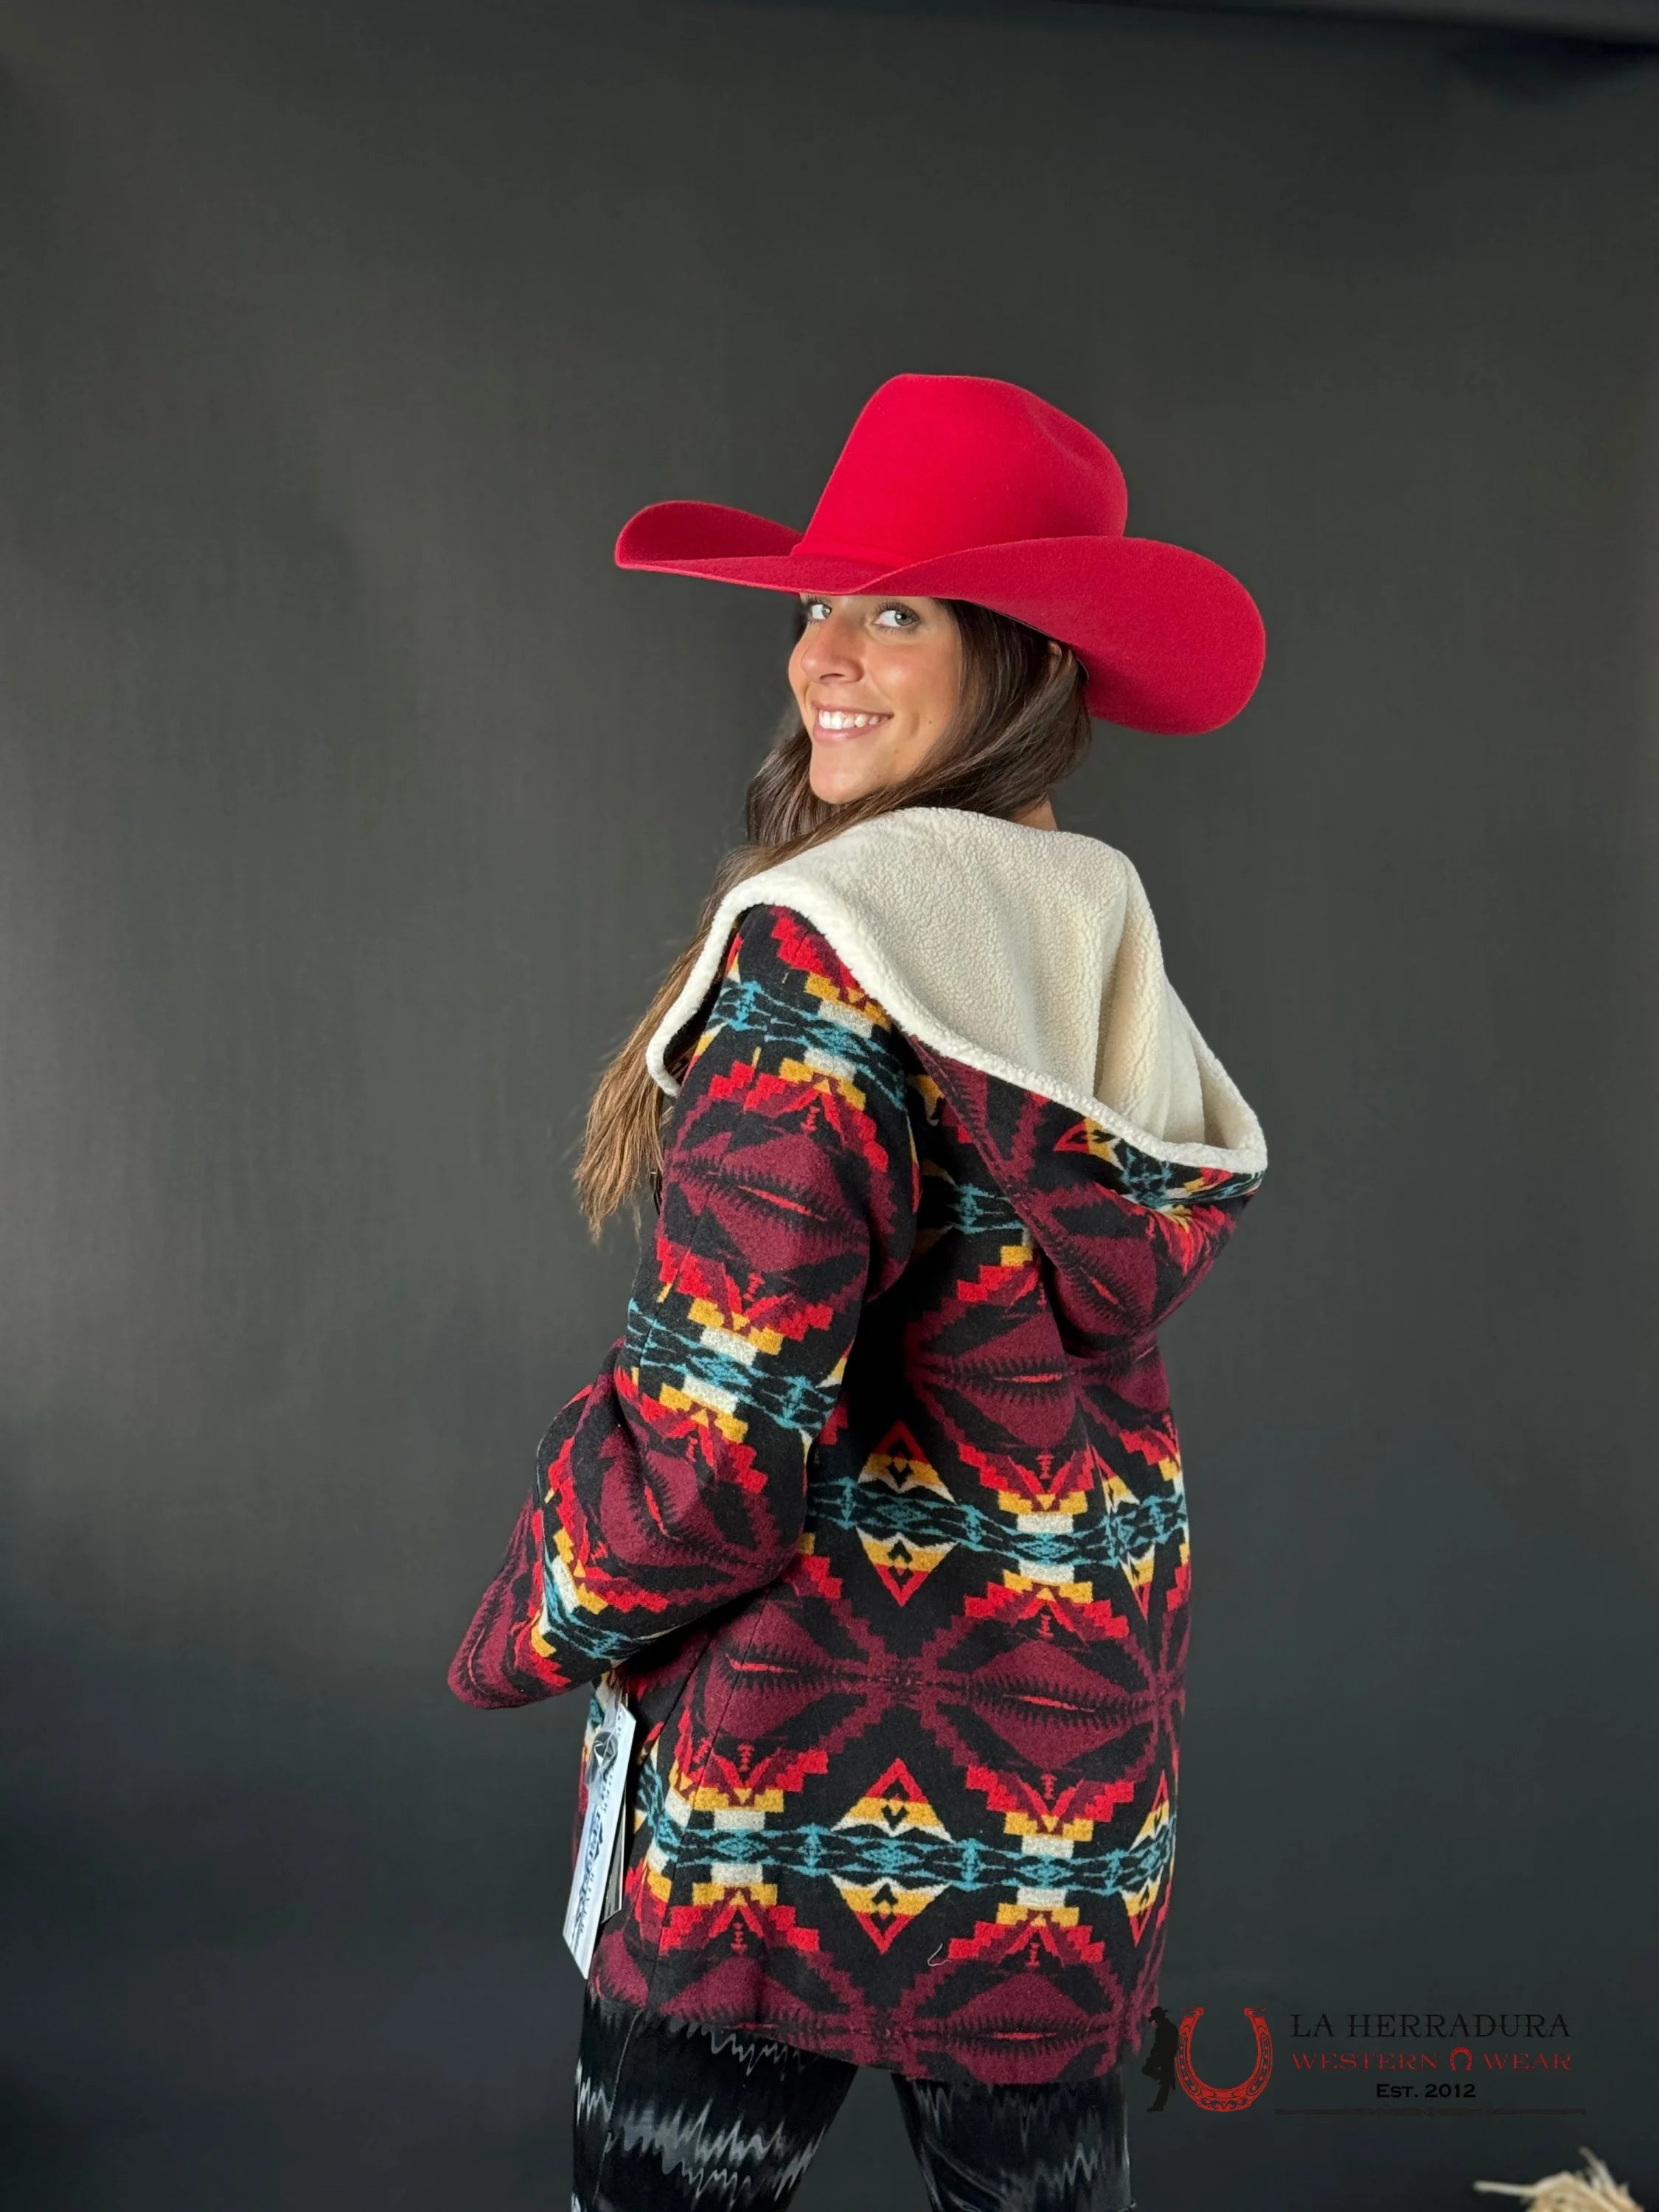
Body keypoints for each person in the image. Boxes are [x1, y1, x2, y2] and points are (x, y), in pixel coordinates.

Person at [448, 373, 1270, 2211]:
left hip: (784, 1780)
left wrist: (527, 1624)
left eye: (893, 611)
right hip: (1067, 1769)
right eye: (818, 603)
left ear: (1019, 657)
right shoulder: (1093, 934)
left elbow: (714, 1453)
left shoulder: (828, 955)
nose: (820, 655)